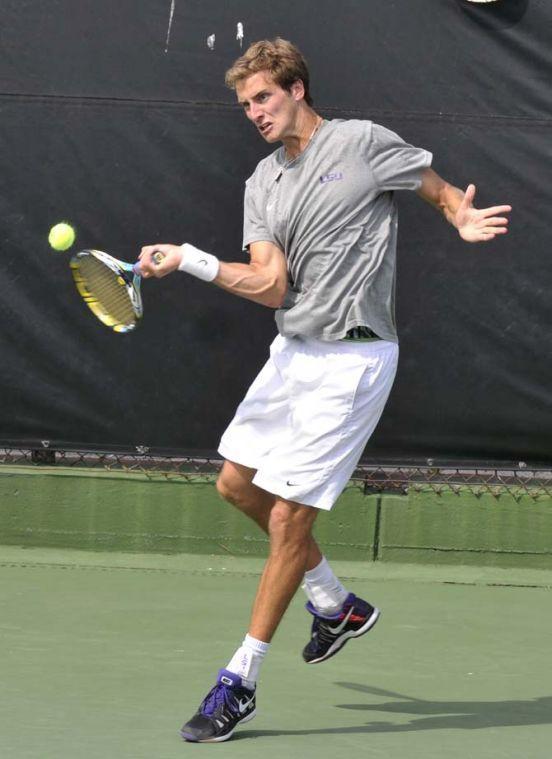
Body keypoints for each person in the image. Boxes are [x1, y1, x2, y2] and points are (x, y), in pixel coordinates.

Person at [138, 38, 511, 743]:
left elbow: (427, 182)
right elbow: (269, 284)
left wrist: (455, 213)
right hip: (294, 353)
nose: (253, 112)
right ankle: (334, 602)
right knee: (234, 484)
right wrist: (191, 261)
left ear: (298, 89)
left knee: (287, 521)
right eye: (245, 103)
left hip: (354, 362)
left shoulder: (362, 142)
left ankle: (239, 681)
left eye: (264, 98)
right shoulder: (262, 184)